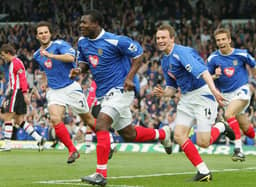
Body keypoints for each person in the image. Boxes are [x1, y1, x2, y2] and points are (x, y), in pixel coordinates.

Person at [69, 9, 172, 186]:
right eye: (80, 23)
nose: (81, 26)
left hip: (121, 89)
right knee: (128, 134)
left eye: (85, 23)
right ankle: (163, 134)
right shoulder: (82, 42)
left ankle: (100, 174)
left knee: (101, 123)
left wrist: (130, 78)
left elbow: (138, 55)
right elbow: (85, 62)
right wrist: (79, 70)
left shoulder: (115, 40)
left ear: (96, 23)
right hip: (103, 94)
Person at [153, 24, 235, 182]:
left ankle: (221, 126)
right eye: (158, 38)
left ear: (172, 38)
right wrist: (164, 93)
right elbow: (172, 88)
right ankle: (203, 172)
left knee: (204, 143)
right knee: (179, 135)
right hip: (186, 98)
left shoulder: (181, 53)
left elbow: (203, 72)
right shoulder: (165, 61)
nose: (160, 40)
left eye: (163, 37)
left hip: (202, 96)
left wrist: (215, 91)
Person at [33, 21, 97, 164]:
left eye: (45, 32)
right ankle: (72, 150)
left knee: (88, 119)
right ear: (37, 36)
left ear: (50, 33)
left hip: (70, 87)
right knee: (55, 119)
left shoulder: (59, 45)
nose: (43, 35)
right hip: (55, 91)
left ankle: (107, 141)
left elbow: (70, 57)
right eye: (40, 33)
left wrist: (51, 55)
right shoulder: (37, 55)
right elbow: (45, 69)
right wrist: (44, 82)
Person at [207, 28, 256, 161]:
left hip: (242, 90)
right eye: (218, 40)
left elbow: (255, 66)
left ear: (229, 40)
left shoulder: (241, 54)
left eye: (224, 39)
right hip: (226, 96)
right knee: (246, 127)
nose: (221, 42)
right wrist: (215, 76)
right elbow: (206, 78)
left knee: (228, 115)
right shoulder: (212, 59)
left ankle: (238, 149)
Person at [0, 44, 45, 152]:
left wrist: (25, 94)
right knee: (19, 120)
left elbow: (23, 78)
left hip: (16, 93)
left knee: (7, 117)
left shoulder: (16, 63)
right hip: (17, 92)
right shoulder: (14, 63)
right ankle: (39, 138)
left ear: (8, 53)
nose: (2, 57)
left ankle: (7, 144)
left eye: (3, 55)